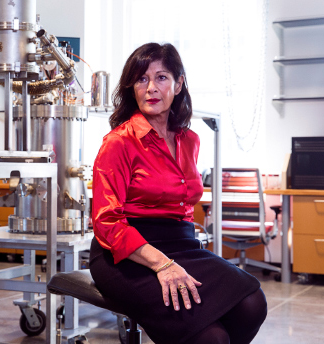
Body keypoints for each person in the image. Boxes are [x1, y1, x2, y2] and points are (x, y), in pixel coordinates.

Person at [89, 42, 267, 344]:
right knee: (211, 338)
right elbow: (106, 222)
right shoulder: (119, 142)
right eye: (142, 79)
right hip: (126, 254)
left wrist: (177, 258)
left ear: (178, 83)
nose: (150, 88)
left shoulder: (190, 140)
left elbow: (183, 204)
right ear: (132, 87)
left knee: (252, 303)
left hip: (182, 245)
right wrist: (162, 264)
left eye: (161, 77)